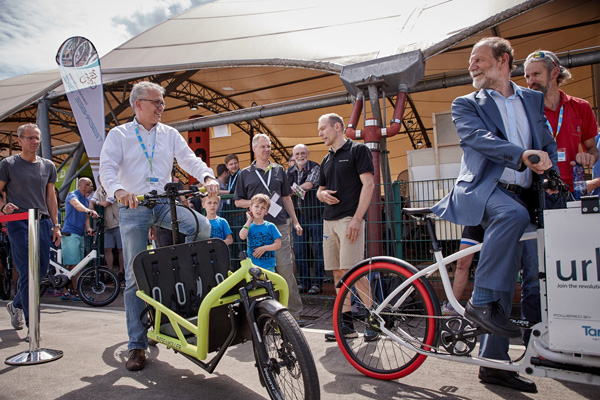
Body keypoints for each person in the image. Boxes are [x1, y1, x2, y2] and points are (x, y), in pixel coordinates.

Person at [430, 37, 558, 393]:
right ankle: (480, 302)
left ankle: (493, 365)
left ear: (503, 61)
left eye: (478, 59)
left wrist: (550, 173)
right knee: (512, 219)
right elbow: (478, 139)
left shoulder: (531, 99)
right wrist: (522, 155)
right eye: (471, 60)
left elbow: (546, 143)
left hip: (524, 194)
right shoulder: (466, 103)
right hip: (486, 190)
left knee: (507, 273)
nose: (472, 65)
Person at [99, 81, 220, 372]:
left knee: (201, 227)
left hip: (164, 201)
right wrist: (118, 191)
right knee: (132, 276)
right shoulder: (119, 134)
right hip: (133, 205)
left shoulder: (170, 133)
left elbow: (190, 159)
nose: (161, 108)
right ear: (138, 104)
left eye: (163, 103)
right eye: (156, 103)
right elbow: (107, 168)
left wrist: (206, 178)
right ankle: (137, 346)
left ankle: (181, 281)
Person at [316, 113, 379, 342]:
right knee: (338, 273)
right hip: (328, 221)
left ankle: (375, 320)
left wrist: (356, 219)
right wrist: (322, 195)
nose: (320, 133)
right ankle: (347, 326)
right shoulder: (325, 159)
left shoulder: (357, 150)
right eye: (319, 130)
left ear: (338, 127)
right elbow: (319, 190)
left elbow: (369, 185)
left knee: (353, 271)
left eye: (323, 128)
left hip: (349, 221)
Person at [234, 133, 305, 326]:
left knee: (284, 268)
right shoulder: (245, 174)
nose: (267, 149)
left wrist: (295, 221)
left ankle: (294, 313)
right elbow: (238, 201)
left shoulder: (279, 170)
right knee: (260, 271)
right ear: (254, 149)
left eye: (269, 146)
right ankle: (265, 314)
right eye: (263, 146)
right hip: (255, 228)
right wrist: (258, 204)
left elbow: (286, 197)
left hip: (279, 225)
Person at [1, 123, 61, 337]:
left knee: (42, 270)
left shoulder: (48, 166)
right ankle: (32, 327)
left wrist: (56, 225)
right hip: (18, 222)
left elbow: (51, 197)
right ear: (19, 141)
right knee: (28, 270)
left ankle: (16, 303)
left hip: (43, 222)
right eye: (30, 138)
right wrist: (2, 206)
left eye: (37, 138)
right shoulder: (8, 164)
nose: (34, 142)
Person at [524, 49, 599, 204]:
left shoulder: (581, 107)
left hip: (572, 190)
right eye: (527, 76)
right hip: (539, 191)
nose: (531, 81)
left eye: (536, 74)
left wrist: (588, 157)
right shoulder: (524, 110)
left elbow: (592, 149)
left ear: (554, 72)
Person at [287, 143, 324, 295]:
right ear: (293, 156)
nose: (300, 156)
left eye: (303, 153)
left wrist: (292, 190)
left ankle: (318, 283)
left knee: (318, 249)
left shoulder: (315, 167)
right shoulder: (289, 171)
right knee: (299, 249)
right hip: (299, 217)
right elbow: (285, 191)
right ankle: (304, 282)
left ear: (307, 154)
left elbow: (310, 184)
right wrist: (294, 191)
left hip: (316, 215)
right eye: (297, 154)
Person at [61, 177, 98, 301]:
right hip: (70, 234)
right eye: (90, 185)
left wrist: (88, 228)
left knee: (75, 264)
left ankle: (67, 291)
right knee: (74, 264)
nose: (92, 187)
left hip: (79, 234)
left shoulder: (85, 200)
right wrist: (88, 209)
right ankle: (75, 292)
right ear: (83, 186)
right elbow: (76, 205)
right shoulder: (73, 195)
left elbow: (86, 218)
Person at [89, 175, 124, 283]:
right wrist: (92, 207)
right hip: (106, 225)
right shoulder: (99, 190)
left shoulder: (114, 189)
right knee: (107, 249)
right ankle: (110, 272)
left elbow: (105, 203)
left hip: (118, 223)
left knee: (121, 249)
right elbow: (91, 202)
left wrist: (96, 203)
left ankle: (121, 271)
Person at [239, 193, 281, 272]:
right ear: (251, 208)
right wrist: (249, 220)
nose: (259, 210)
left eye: (263, 208)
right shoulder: (249, 226)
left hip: (268, 267)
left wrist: (264, 248)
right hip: (252, 267)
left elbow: (278, 244)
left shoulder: (271, 226)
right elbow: (242, 236)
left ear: (266, 211)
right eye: (256, 206)